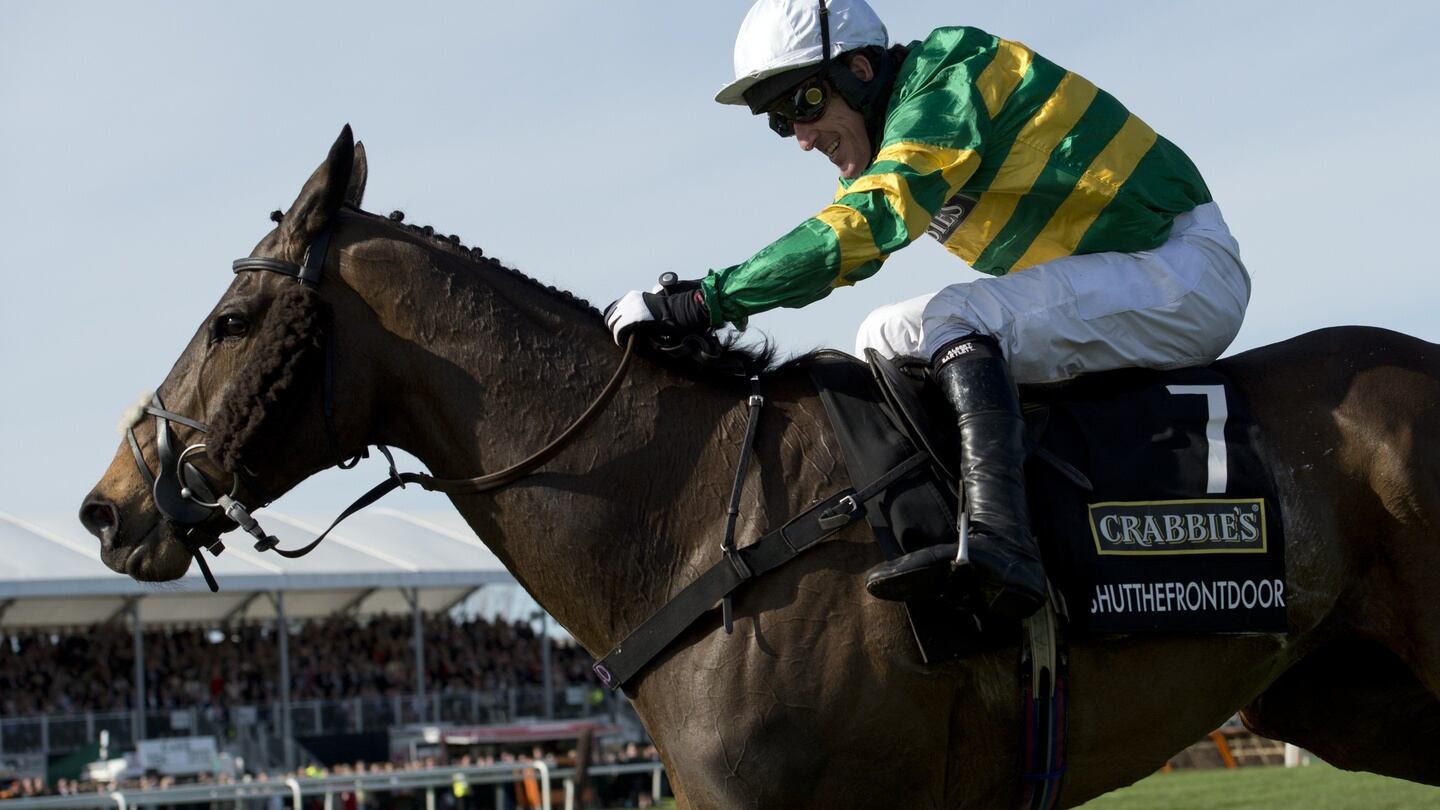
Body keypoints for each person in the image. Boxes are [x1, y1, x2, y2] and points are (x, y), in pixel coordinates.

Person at [604, 0, 1249, 620]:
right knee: (882, 337)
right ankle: (938, 529)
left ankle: (1005, 543)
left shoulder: (949, 71)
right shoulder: (892, 131)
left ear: (860, 71)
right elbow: (852, 243)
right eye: (779, 119)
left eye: (804, 101)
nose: (801, 138)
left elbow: (866, 224)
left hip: (1179, 267)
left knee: (952, 320)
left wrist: (704, 300)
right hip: (1127, 276)